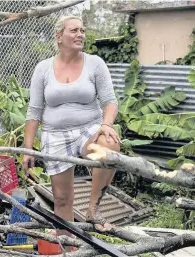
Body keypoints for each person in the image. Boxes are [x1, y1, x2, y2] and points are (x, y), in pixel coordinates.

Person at [22, 15, 121, 235]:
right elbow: (34, 110)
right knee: (62, 198)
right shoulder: (43, 68)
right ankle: (69, 246)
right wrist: (28, 148)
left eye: (82, 31)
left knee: (109, 145)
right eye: (74, 30)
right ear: (59, 36)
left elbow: (110, 101)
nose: (80, 35)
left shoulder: (95, 63)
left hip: (89, 129)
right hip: (55, 134)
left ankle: (93, 209)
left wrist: (106, 124)